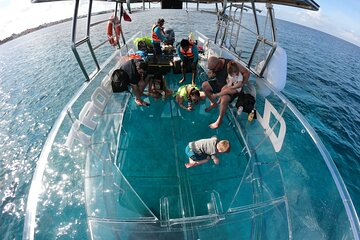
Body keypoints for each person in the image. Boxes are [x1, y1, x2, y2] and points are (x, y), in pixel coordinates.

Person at [202, 57, 250, 129]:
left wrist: (240, 84)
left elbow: (246, 72)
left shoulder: (230, 64)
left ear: (218, 64)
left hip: (231, 87)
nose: (213, 70)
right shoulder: (216, 65)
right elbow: (211, 75)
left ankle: (219, 120)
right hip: (220, 84)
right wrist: (211, 75)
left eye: (214, 69)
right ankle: (213, 103)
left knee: (224, 99)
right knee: (204, 85)